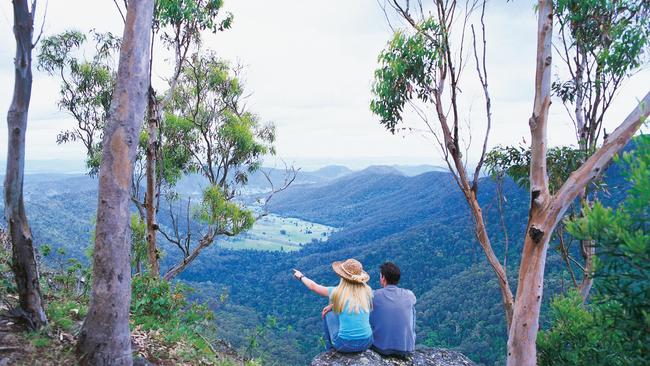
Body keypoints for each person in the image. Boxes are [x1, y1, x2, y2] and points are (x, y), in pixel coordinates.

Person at [293, 258, 373, 353]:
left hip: (344, 345)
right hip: (367, 342)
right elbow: (353, 302)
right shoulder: (368, 291)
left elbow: (313, 286)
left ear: (342, 277)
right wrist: (333, 305)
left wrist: (301, 276)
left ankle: (330, 350)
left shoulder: (337, 292)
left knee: (328, 314)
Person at [369, 262, 416, 357]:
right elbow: (414, 300)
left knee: (370, 309)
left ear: (383, 278)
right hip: (406, 349)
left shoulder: (374, 295)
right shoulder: (409, 294)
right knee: (411, 309)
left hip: (380, 348)